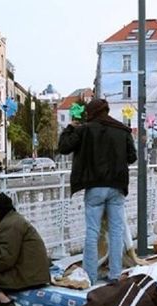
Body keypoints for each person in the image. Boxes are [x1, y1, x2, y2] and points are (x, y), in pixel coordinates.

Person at [58, 98, 137, 285]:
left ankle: (90, 277)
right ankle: (115, 275)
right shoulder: (122, 130)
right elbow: (132, 157)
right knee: (116, 232)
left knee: (92, 232)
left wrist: (70, 127)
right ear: (107, 111)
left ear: (92, 112)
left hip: (94, 186)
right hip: (117, 186)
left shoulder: (84, 129)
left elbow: (63, 148)